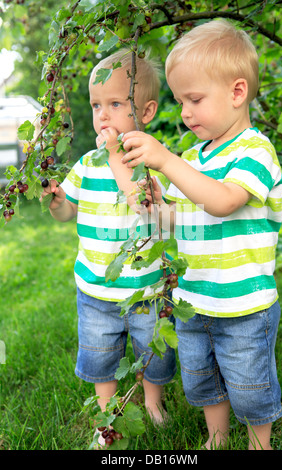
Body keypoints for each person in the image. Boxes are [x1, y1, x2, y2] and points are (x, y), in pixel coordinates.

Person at [121, 20, 282, 450]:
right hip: (194, 301)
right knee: (201, 379)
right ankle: (216, 436)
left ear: (237, 92)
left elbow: (224, 200)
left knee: (250, 384)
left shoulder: (256, 150)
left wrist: (169, 162)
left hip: (245, 306)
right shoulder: (193, 156)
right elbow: (181, 218)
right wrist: (157, 201)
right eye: (179, 101)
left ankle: (258, 442)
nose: (186, 112)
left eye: (194, 99)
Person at [40, 49, 176, 447]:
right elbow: (67, 214)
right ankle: (106, 414)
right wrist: (58, 201)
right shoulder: (86, 164)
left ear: (146, 112)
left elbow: (149, 207)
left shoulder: (150, 163)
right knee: (100, 357)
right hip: (95, 289)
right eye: (97, 105)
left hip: (145, 289)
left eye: (116, 104)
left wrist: (120, 157)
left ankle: (153, 403)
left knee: (154, 353)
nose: (102, 115)